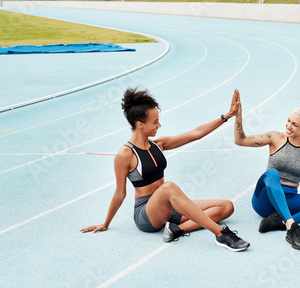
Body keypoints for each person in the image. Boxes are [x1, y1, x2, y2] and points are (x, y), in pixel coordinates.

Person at [81, 88, 250, 252]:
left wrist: (226, 116)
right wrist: (105, 223)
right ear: (140, 124)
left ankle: (177, 230)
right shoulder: (125, 154)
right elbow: (120, 193)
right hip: (147, 215)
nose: (159, 125)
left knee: (226, 207)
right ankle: (221, 234)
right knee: (168, 187)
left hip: (169, 208)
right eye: (155, 122)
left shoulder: (158, 145)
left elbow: (196, 133)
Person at [233, 91, 300, 250]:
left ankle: (282, 221)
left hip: (289, 201)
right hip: (265, 201)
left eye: (295, 124)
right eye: (289, 121)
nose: (289, 126)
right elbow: (240, 140)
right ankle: (291, 226)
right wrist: (238, 115)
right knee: (272, 173)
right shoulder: (275, 137)